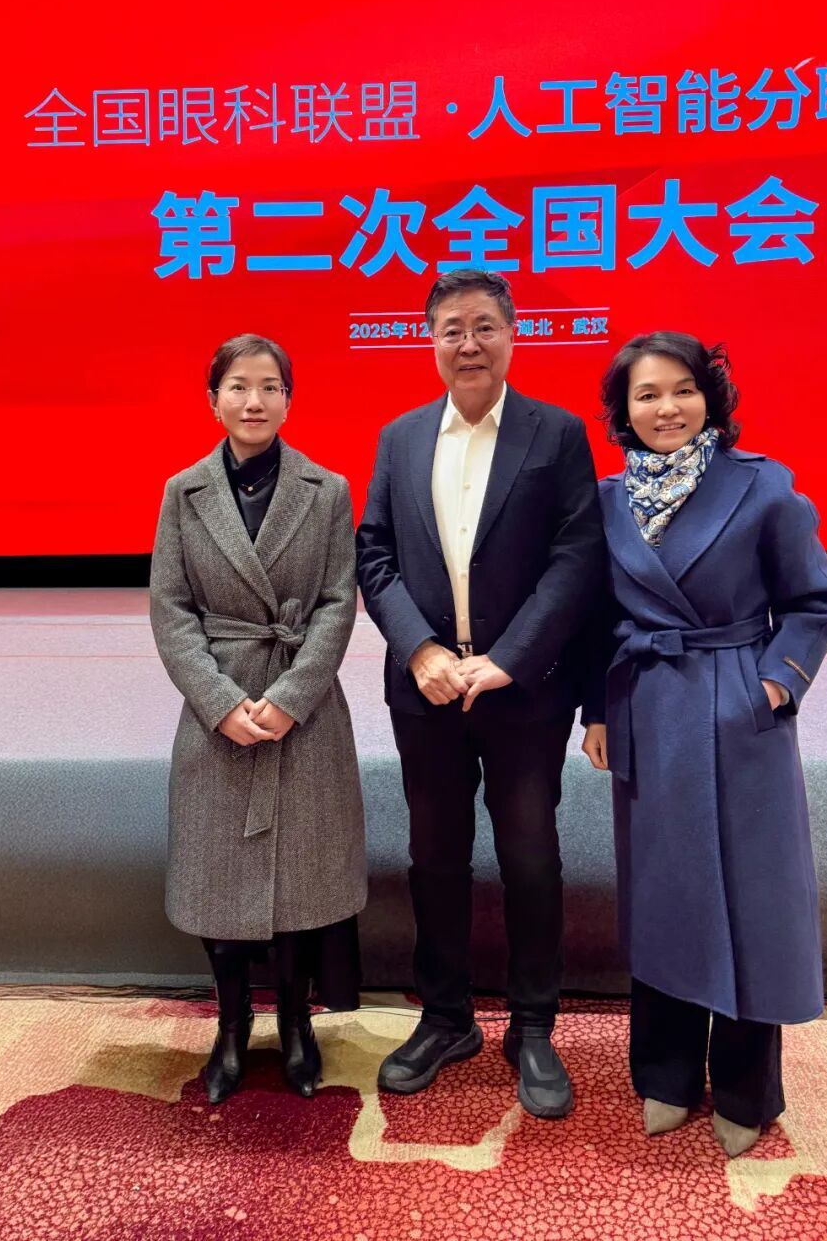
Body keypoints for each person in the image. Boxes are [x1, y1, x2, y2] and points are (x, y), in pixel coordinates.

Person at [581, 332, 827, 1157]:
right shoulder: (606, 499)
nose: (667, 408)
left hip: (737, 709)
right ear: (623, 411)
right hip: (647, 707)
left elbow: (813, 602)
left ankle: (743, 1087)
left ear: (710, 397)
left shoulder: (762, 486)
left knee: (750, 901)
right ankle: (664, 1074)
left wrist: (773, 685)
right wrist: (596, 712)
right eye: (647, 394)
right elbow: (596, 619)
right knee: (662, 894)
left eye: (682, 390)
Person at [356, 269, 605, 1120]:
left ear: (512, 335)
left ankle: (533, 1025)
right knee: (435, 858)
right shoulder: (399, 437)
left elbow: (576, 558)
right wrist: (420, 649)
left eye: (484, 327)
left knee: (531, 857)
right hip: (426, 690)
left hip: (522, 691)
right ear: (430, 341)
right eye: (452, 329)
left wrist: (508, 658)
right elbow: (375, 554)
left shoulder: (556, 433)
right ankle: (446, 1016)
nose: (468, 343)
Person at [150, 334, 367, 1103]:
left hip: (303, 715)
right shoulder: (184, 492)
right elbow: (172, 611)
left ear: (288, 398)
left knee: (302, 883)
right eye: (238, 386)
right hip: (218, 717)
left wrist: (292, 696)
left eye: (270, 386)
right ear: (213, 399)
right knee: (219, 881)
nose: (254, 401)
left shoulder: (327, 489)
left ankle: (298, 1022)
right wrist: (219, 703)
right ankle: (232, 1023)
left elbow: (338, 603)